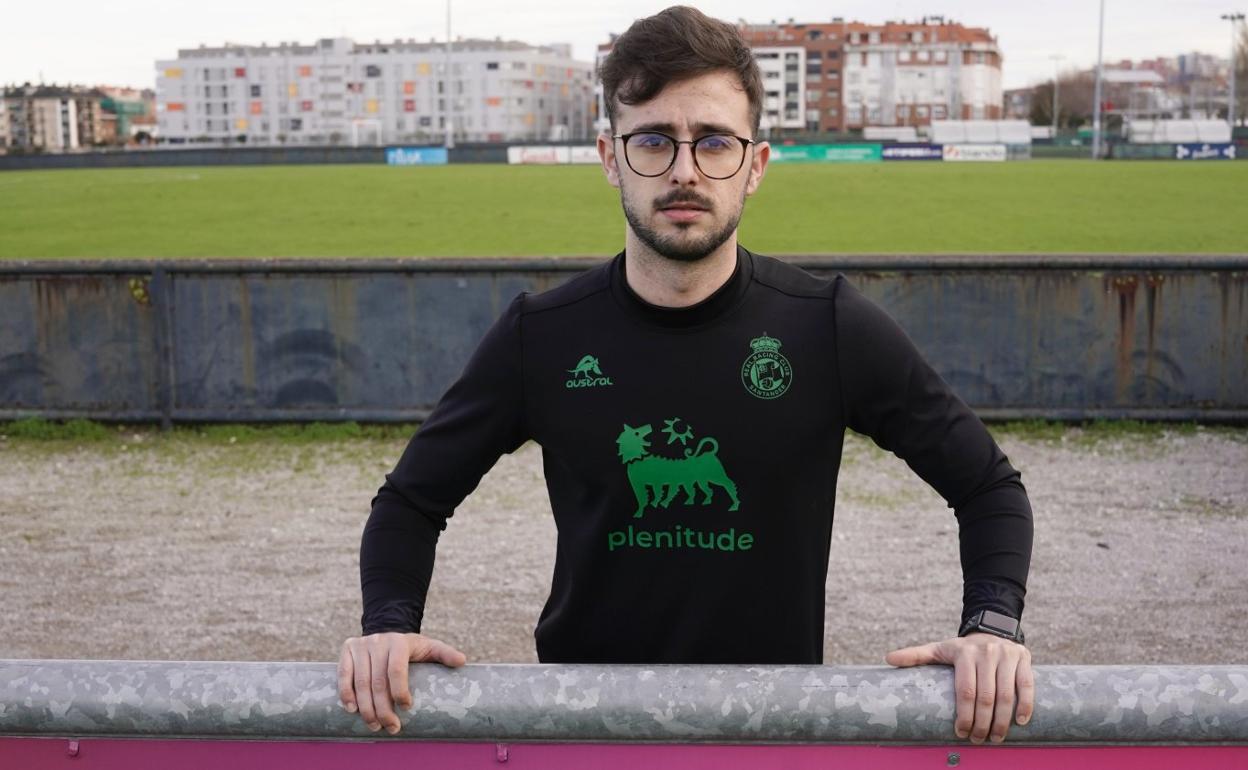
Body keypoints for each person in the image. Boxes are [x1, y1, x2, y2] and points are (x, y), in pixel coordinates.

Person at [338, 5, 1034, 745]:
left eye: (713, 142)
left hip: (770, 734)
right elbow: (411, 501)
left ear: (755, 165)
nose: (683, 171)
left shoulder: (826, 325)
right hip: (587, 735)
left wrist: (991, 626)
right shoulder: (540, 336)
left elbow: (988, 487)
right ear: (610, 156)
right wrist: (387, 627)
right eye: (653, 141)